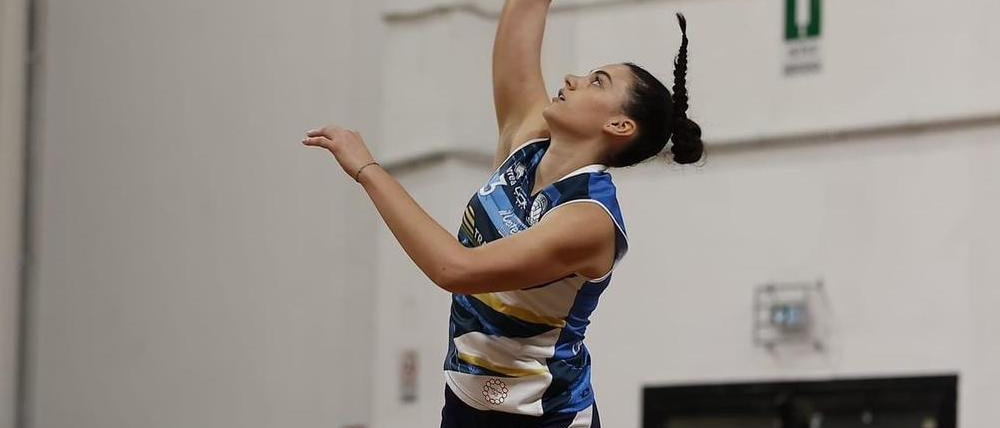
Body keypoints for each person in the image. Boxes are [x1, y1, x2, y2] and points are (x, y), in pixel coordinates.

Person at [302, 0, 704, 426]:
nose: (573, 78)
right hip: (465, 400)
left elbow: (452, 268)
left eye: (596, 82)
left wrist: (368, 170)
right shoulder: (527, 140)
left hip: (542, 415)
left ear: (620, 126)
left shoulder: (590, 219)